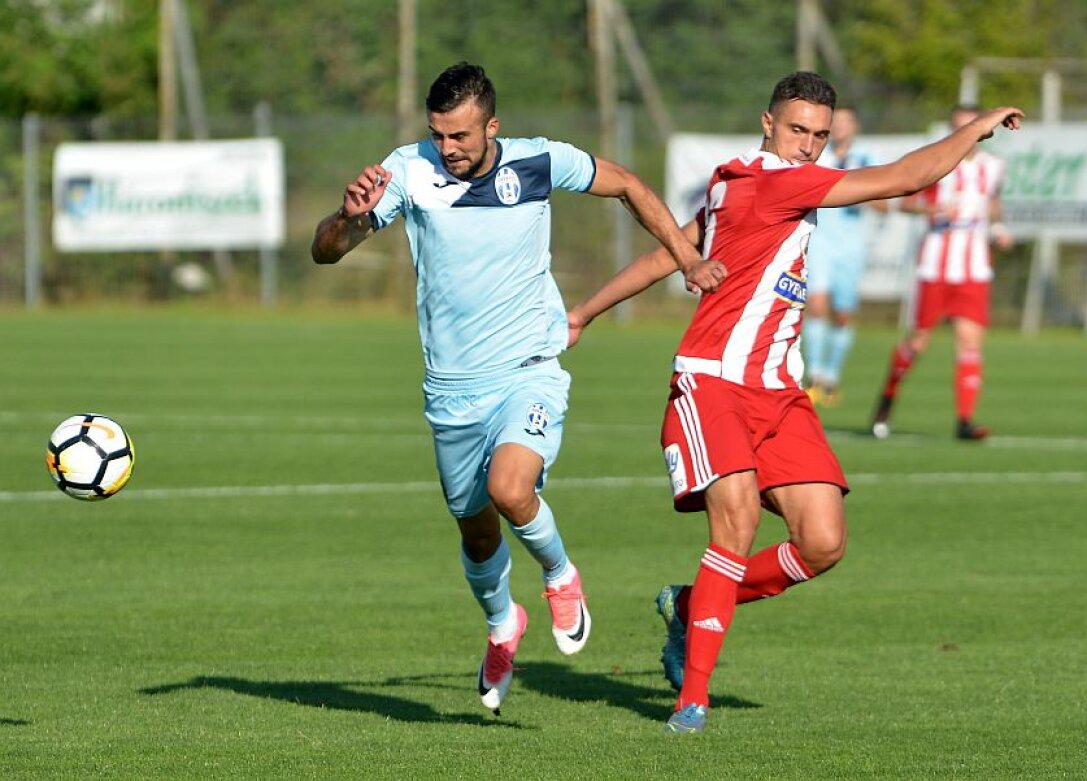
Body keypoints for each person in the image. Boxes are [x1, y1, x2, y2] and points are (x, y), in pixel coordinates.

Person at [567, 71, 1022, 734]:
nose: (807, 145)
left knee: (823, 541)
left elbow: (677, 252)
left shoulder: (739, 181)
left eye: (819, 134)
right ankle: (692, 696)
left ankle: (692, 604)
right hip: (714, 381)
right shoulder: (775, 181)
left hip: (778, 392)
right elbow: (904, 177)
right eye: (796, 129)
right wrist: (975, 131)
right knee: (739, 522)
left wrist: (585, 310)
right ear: (767, 122)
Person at [311, 62, 722, 714]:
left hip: (529, 367)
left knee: (511, 488)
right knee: (476, 533)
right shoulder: (408, 170)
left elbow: (629, 185)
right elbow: (326, 250)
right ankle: (503, 623)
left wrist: (688, 255)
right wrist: (349, 217)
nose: (449, 149)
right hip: (450, 389)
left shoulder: (538, 162)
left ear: (492, 126)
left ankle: (562, 576)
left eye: (462, 136)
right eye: (439, 135)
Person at [870, 104, 1014, 441]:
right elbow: (905, 201)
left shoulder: (993, 168)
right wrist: (932, 208)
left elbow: (992, 203)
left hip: (974, 268)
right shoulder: (938, 164)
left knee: (970, 343)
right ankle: (887, 399)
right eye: (958, 127)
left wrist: (998, 228)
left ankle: (965, 421)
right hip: (935, 266)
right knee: (918, 342)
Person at [802, 106, 885, 407]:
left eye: (846, 122)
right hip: (820, 240)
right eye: (835, 123)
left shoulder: (865, 159)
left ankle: (832, 377)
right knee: (817, 306)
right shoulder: (817, 156)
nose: (840, 128)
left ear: (855, 126)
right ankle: (814, 375)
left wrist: (860, 190)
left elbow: (884, 202)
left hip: (851, 246)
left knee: (843, 314)